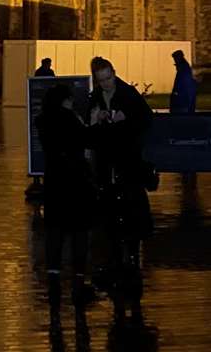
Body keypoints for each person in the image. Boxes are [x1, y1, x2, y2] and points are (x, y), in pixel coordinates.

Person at [87, 56, 153, 325]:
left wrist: (126, 119)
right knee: (110, 213)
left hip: (127, 163)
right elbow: (88, 130)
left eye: (108, 79)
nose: (106, 84)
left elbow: (145, 120)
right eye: (101, 81)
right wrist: (95, 120)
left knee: (132, 209)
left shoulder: (128, 94)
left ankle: (133, 259)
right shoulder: (95, 97)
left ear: (114, 74)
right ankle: (115, 259)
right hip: (106, 164)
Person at [36, 83, 94, 328]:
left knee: (54, 233)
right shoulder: (70, 120)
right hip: (75, 184)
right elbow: (85, 140)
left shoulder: (43, 121)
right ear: (65, 100)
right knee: (79, 232)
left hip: (54, 184)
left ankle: (53, 279)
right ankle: (78, 280)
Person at [169, 49, 198, 114]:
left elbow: (183, 83)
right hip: (184, 97)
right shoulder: (184, 68)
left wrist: (176, 92)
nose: (174, 60)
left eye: (175, 58)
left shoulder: (183, 69)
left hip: (183, 98)